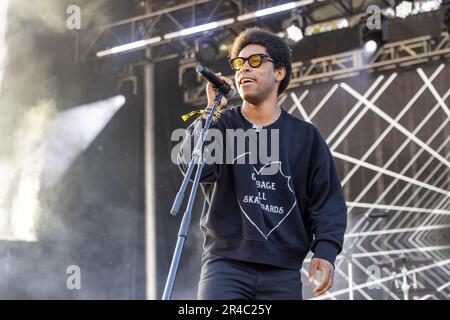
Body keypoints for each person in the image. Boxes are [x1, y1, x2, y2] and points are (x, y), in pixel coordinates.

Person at [177, 27, 347, 300]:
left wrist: (326, 251)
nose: (244, 68)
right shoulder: (221, 125)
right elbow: (196, 168)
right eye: (239, 63)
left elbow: (327, 201)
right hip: (226, 266)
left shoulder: (305, 136)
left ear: (280, 73)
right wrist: (211, 110)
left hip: (283, 271)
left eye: (255, 61)